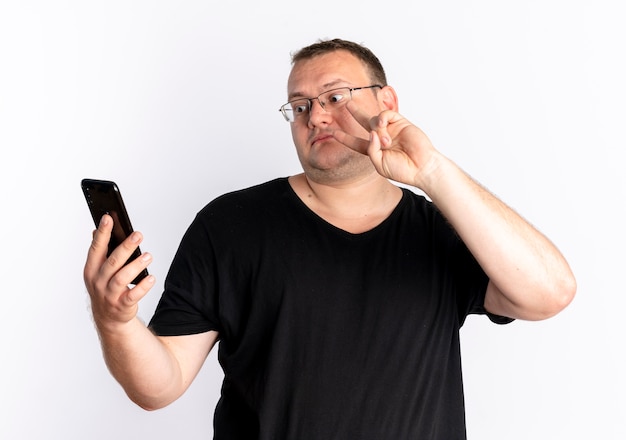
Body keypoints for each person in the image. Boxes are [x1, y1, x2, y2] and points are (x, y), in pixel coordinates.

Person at [83, 38, 576, 439]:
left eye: (335, 98)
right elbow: (159, 385)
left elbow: (549, 294)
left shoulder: (443, 228)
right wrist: (117, 322)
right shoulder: (230, 225)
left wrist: (431, 171)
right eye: (298, 107)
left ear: (387, 103)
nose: (315, 117)